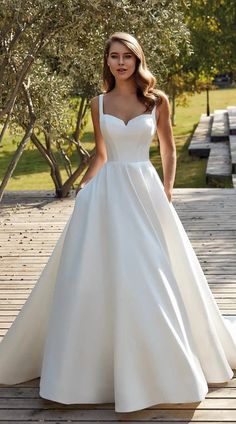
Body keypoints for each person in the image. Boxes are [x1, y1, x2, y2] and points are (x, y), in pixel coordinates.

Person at [0, 31, 236, 414]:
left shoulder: (157, 101)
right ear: (107, 61)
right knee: (98, 273)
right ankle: (91, 370)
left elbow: (168, 148)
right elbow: (103, 152)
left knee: (152, 272)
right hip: (107, 195)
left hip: (144, 191)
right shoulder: (98, 102)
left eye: (127, 55)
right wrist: (85, 185)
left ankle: (164, 367)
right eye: (114, 56)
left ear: (137, 59)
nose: (121, 62)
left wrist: (168, 190)